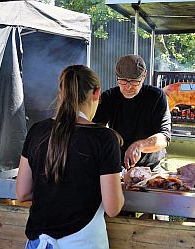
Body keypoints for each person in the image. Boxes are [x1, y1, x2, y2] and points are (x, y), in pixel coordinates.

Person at [16, 65, 124, 249]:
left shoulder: (37, 131)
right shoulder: (105, 138)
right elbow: (112, 208)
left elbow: (22, 192)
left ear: (61, 93)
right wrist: (119, 185)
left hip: (37, 241)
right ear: (96, 93)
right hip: (83, 242)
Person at [93, 54, 171, 172]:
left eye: (134, 81)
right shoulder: (109, 98)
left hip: (151, 168)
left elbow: (164, 138)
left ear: (144, 75)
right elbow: (95, 131)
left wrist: (140, 146)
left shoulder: (156, 97)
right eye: (123, 81)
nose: (128, 87)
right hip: (118, 167)